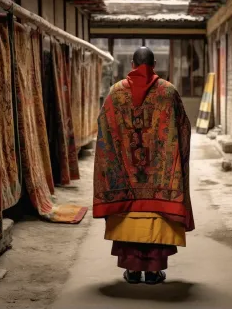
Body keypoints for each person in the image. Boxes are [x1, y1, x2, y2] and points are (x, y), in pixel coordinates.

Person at [93, 47, 194, 285]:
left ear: (131, 63)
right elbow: (183, 129)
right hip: (160, 180)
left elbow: (104, 130)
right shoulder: (168, 92)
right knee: (155, 220)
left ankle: (132, 271)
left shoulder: (115, 93)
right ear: (155, 63)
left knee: (129, 219)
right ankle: (153, 272)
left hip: (126, 178)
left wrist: (115, 164)